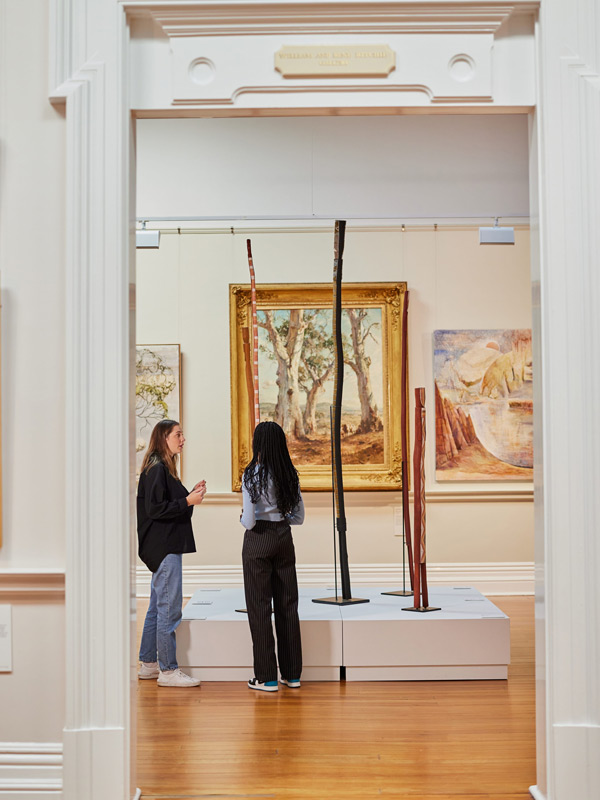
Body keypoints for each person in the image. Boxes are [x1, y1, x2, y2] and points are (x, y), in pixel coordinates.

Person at [137, 419, 206, 688]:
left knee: (157, 607)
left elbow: (166, 506)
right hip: (164, 548)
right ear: (164, 437)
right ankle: (168, 670)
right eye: (178, 434)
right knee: (169, 609)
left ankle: (149, 664)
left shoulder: (162, 467)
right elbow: (156, 510)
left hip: (162, 547)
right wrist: (188, 501)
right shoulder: (157, 469)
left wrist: (190, 496)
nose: (183, 439)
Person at [240, 420, 305, 692]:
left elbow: (249, 521)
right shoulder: (290, 473)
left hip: (258, 541)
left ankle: (266, 677)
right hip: (283, 537)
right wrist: (282, 518)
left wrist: (243, 519)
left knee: (260, 608)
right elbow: (299, 518)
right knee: (288, 606)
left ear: (258, 443)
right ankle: (292, 675)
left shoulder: (251, 474)